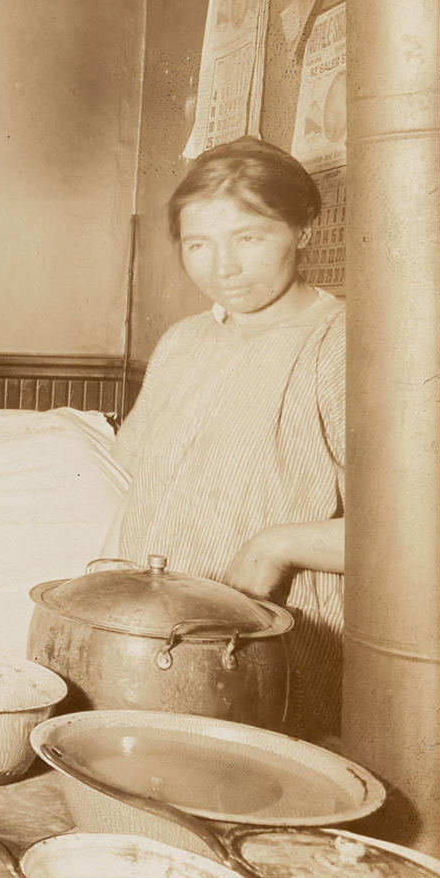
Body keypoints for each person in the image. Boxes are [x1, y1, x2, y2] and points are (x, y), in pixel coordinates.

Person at [110, 138, 345, 737]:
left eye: (249, 237)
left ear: (304, 230)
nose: (224, 268)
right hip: (151, 652)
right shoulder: (184, 341)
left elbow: (417, 537)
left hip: (272, 668)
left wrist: (276, 546)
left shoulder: (341, 343)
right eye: (199, 244)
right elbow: (135, 493)